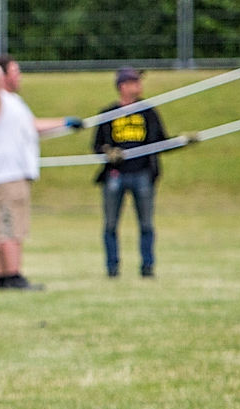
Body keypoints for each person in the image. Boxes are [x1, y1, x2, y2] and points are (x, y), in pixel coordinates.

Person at [0, 55, 83, 290]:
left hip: (13, 175)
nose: (20, 76)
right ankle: (12, 275)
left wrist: (65, 124)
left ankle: (3, 275)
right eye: (15, 71)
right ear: (4, 76)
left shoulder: (14, 102)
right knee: (10, 227)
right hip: (7, 175)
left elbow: (32, 127)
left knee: (7, 226)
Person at [92, 67, 169, 278]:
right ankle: (112, 268)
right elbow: (97, 146)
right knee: (110, 224)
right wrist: (108, 152)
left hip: (143, 174)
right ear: (122, 86)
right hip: (115, 176)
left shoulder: (148, 112)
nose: (139, 85)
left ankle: (147, 266)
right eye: (134, 81)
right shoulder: (108, 113)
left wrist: (182, 141)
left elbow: (161, 142)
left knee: (146, 224)